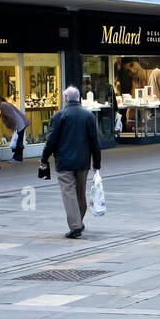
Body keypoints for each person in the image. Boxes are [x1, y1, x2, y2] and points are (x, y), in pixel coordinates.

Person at [40, 86, 101, 239]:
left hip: (64, 161)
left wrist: (44, 159)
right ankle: (78, 221)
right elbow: (95, 141)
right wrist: (97, 163)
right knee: (80, 192)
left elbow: (51, 141)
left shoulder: (59, 116)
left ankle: (75, 226)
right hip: (83, 161)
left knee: (68, 193)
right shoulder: (88, 116)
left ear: (66, 99)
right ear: (79, 98)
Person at [0, 97, 28, 162]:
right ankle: (16, 157)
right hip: (20, 124)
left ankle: (18, 158)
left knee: (18, 142)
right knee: (18, 141)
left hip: (19, 125)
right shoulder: (5, 104)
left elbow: (10, 116)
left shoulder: (3, 106)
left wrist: (14, 126)